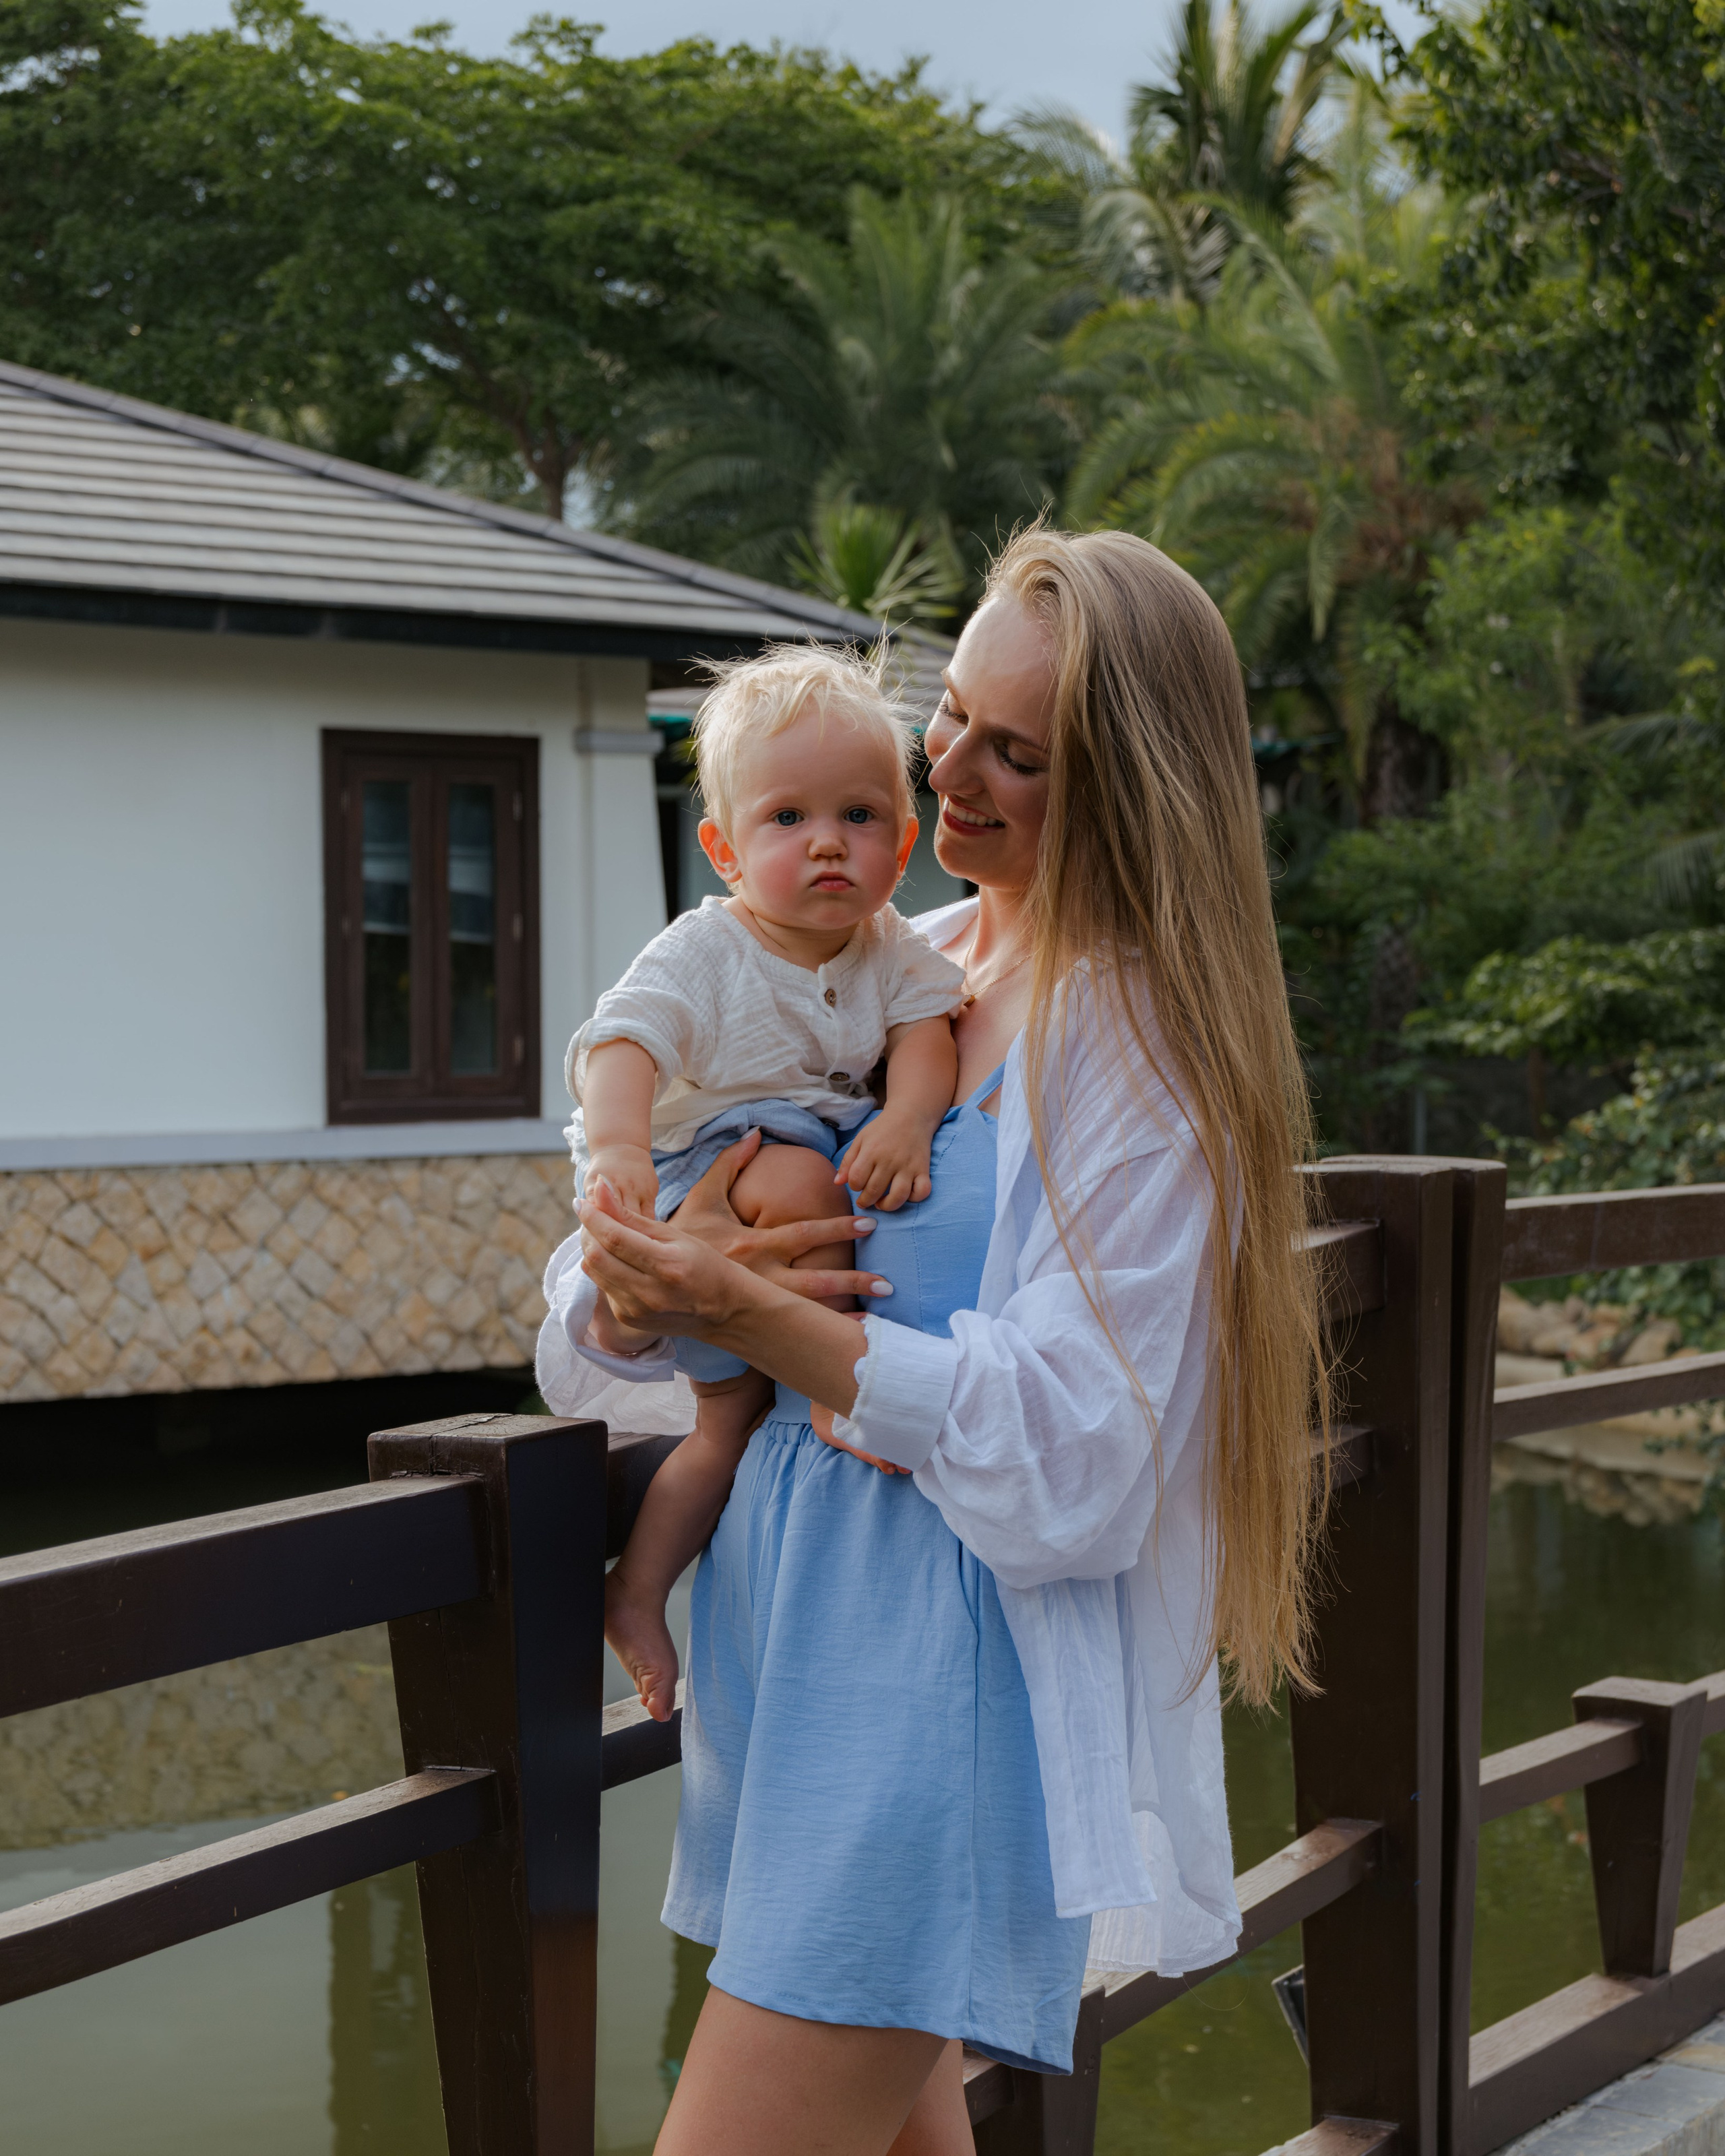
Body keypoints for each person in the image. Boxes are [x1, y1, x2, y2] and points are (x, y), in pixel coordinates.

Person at [538, 526, 1333, 2156]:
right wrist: (640, 1285)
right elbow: (633, 1259)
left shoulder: (1136, 1036)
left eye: (1015, 753)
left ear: (1127, 788)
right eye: (951, 713)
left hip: (938, 1686)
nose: (948, 770)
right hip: (795, 1654)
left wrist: (752, 1312)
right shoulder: (900, 965)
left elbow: (1084, 1445)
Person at [571, 647, 965, 1721]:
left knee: (723, 1427)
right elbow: (622, 1041)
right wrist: (618, 1150)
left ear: (903, 843)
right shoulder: (706, 950)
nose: (828, 842)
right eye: (787, 818)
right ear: (726, 850)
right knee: (798, 1174)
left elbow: (928, 1039)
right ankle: (841, 1376)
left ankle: (637, 1591)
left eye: (860, 816)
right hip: (706, 1160)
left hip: (783, 1172)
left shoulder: (891, 948)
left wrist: (908, 1117)